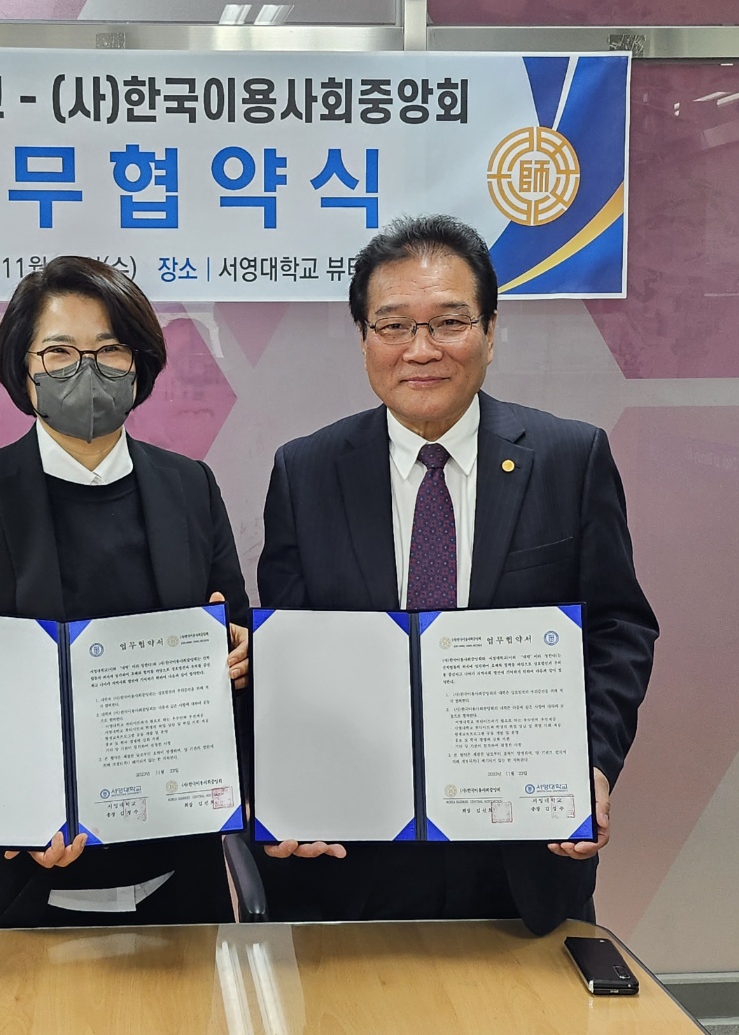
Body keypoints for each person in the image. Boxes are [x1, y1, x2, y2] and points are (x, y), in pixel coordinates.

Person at [256, 214, 657, 935]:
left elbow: (618, 628)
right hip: (352, 858)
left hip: (520, 850)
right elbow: (288, 658)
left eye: (449, 322)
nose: (422, 349)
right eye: (393, 326)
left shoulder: (570, 460)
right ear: (363, 339)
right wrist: (284, 791)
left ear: (491, 332)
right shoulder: (305, 471)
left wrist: (593, 765)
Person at [0, 255, 250, 929]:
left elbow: (232, 631)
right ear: (23, 368)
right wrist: (15, 810)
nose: (86, 370)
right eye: (59, 351)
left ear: (139, 365)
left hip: (174, 873)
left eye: (109, 350)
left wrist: (237, 656)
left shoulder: (190, 487)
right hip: (12, 877)